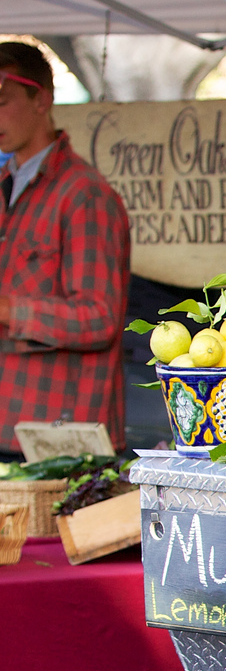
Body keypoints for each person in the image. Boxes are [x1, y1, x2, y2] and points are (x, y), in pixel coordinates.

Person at [0, 41, 130, 454]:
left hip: (59, 440)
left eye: (1, 101)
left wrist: (8, 310)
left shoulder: (85, 195)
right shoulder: (4, 184)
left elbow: (100, 317)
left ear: (42, 100)